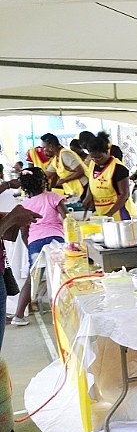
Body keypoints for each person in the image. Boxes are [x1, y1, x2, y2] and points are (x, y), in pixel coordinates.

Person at [11, 168, 67, 326]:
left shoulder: (24, 205)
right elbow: (67, 217)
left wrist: (31, 246)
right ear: (44, 182)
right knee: (60, 276)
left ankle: (19, 315)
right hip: (56, 241)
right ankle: (62, 313)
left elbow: (24, 232)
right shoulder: (53, 197)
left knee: (32, 278)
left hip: (35, 243)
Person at [82, 134, 137, 220]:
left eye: (99, 157)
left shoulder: (118, 168)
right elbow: (92, 181)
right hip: (102, 211)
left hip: (119, 212)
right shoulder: (92, 164)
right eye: (93, 158)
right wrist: (89, 196)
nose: (96, 160)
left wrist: (109, 214)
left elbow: (124, 195)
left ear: (107, 152)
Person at [40, 133, 87, 198]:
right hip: (76, 191)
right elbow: (46, 175)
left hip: (84, 188)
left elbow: (80, 171)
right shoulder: (56, 159)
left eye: (44, 147)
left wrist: (63, 180)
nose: (43, 150)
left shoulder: (65, 154)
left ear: (50, 147)